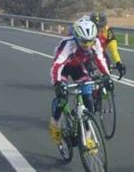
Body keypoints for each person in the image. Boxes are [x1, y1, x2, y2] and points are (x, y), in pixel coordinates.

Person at [48, 16, 113, 145]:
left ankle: (87, 138)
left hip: (78, 66)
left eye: (90, 41)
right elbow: (57, 66)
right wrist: (58, 83)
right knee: (63, 97)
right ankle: (55, 123)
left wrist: (107, 76)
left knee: (89, 101)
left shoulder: (96, 42)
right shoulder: (68, 44)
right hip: (64, 67)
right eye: (84, 42)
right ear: (77, 37)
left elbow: (100, 59)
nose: (88, 45)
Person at [90, 11, 127, 78]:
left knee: (107, 70)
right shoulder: (87, 29)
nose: (99, 30)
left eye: (101, 27)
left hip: (101, 52)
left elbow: (114, 50)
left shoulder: (108, 31)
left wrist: (118, 62)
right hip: (87, 52)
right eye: (96, 28)